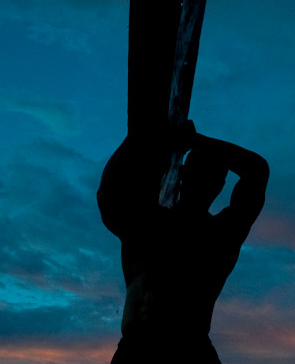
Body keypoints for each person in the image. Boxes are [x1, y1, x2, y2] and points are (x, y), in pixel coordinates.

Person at [97, 121, 269, 363]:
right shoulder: (221, 234)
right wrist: (192, 140)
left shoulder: (147, 223)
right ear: (220, 185)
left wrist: (159, 137)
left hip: (153, 351)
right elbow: (257, 171)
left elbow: (109, 192)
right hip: (177, 350)